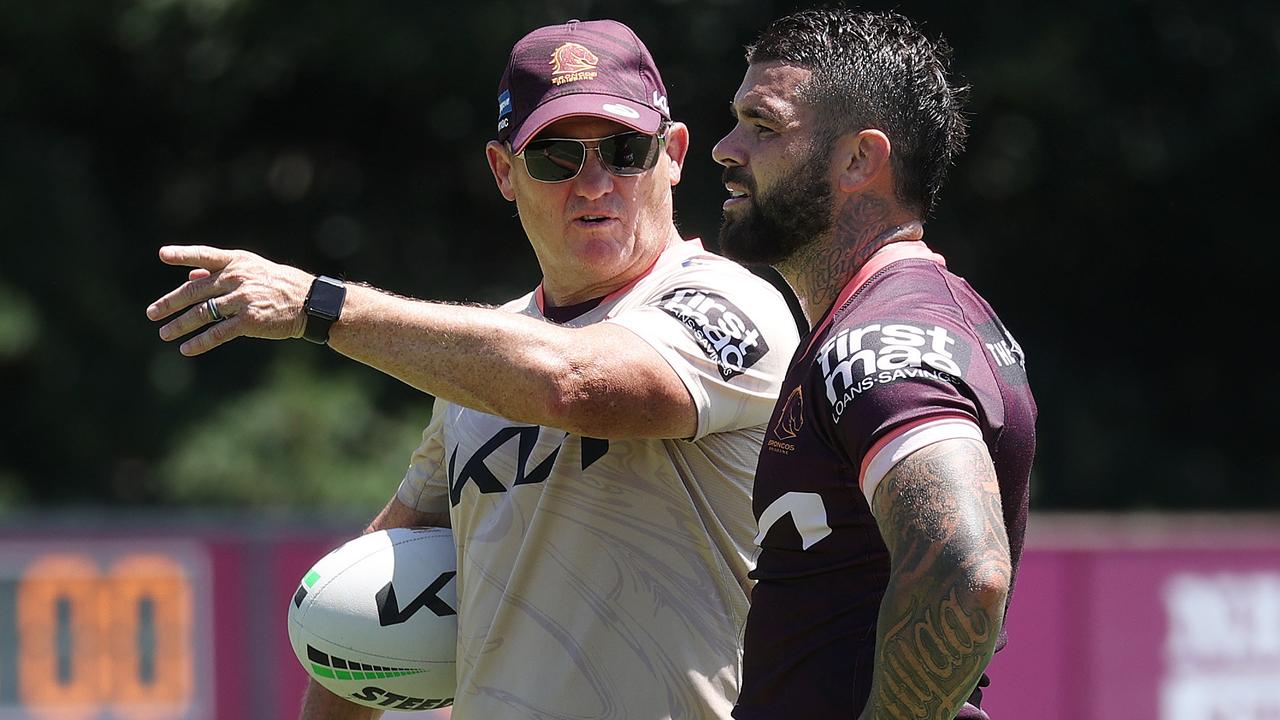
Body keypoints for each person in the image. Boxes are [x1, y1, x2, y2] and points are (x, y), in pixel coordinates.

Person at [146, 18, 800, 720]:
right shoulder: (484, 362)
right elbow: (362, 610)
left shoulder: (731, 301)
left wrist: (320, 305)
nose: (595, 183)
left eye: (625, 150)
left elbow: (573, 385)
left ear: (671, 154)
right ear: (503, 172)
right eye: (554, 156)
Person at [711, 9, 1037, 720]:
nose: (724, 148)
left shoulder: (886, 333)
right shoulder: (890, 317)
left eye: (762, 126)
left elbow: (965, 571)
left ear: (859, 159)